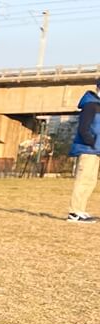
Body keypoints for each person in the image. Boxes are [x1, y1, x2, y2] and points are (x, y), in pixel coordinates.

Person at [68, 79, 100, 223]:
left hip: (96, 151)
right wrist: (92, 142)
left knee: (90, 181)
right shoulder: (90, 105)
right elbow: (83, 129)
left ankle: (80, 210)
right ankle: (74, 213)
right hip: (88, 149)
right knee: (83, 180)